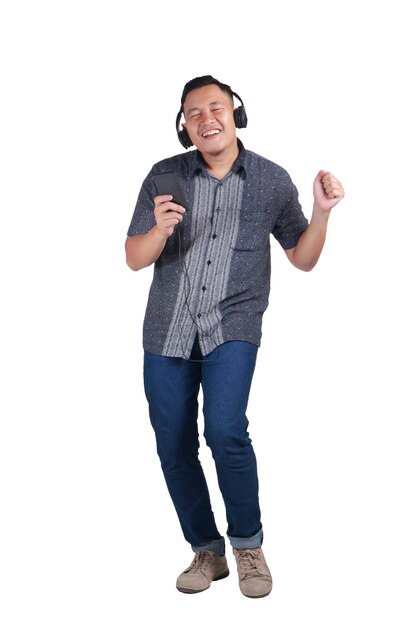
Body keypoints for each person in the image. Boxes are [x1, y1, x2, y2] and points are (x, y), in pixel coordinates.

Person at [125, 75, 344, 598]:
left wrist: (321, 213)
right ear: (184, 126)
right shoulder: (163, 175)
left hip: (234, 326)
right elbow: (133, 258)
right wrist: (159, 229)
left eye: (216, 107)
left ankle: (247, 543)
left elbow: (303, 258)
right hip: (167, 327)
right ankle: (206, 550)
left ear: (235, 113)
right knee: (173, 445)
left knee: (225, 430)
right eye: (194, 112)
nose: (207, 119)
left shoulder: (269, 180)